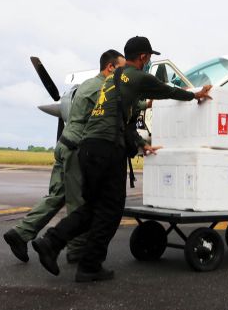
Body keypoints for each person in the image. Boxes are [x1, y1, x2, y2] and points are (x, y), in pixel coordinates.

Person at [32, 36, 212, 282]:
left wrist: (140, 145)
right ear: (144, 57)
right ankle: (90, 265)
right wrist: (196, 95)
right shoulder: (139, 77)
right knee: (111, 210)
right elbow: (168, 91)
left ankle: (51, 242)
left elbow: (122, 122)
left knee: (93, 207)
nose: (149, 62)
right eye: (149, 57)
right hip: (107, 150)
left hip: (88, 148)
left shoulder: (113, 79)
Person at [3, 50, 125, 263]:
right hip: (77, 149)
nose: (124, 75)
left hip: (64, 144)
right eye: (122, 69)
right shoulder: (104, 88)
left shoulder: (85, 85)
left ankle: (21, 233)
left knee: (58, 194)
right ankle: (76, 251)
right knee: (78, 200)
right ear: (111, 68)